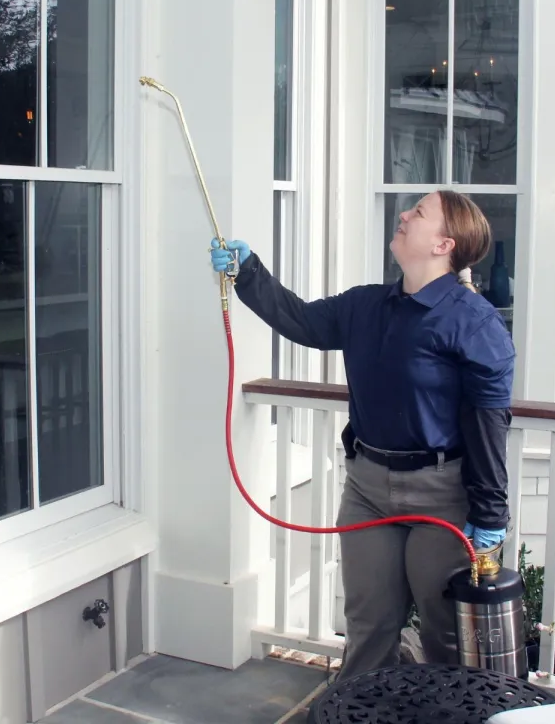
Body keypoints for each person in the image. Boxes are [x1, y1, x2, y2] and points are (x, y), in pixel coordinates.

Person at [209, 190, 515, 679]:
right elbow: (300, 319)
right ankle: (361, 711)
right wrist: (248, 271)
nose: (404, 214)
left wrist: (490, 515)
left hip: (442, 497)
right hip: (368, 489)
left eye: (419, 212)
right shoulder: (366, 305)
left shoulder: (474, 322)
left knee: (444, 632)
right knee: (369, 624)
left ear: (444, 245)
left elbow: (488, 425)